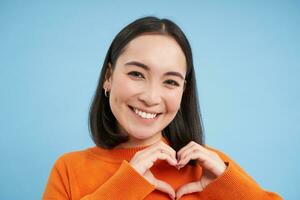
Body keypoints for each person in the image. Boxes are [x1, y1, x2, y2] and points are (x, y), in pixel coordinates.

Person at [42, 16, 283, 200]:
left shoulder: (212, 169)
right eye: (137, 74)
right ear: (109, 76)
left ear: (183, 91)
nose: (151, 97)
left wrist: (230, 187)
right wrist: (124, 186)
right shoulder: (69, 169)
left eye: (170, 81)